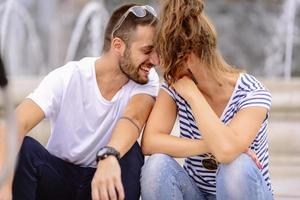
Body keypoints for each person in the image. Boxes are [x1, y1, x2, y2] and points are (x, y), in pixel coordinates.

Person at [0, 3, 159, 200]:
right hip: (58, 181)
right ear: (118, 46)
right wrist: (3, 191)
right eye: (147, 50)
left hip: (100, 185)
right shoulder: (68, 76)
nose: (156, 60)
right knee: (24, 148)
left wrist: (108, 155)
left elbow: (134, 117)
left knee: (131, 154)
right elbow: (13, 125)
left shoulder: (146, 79)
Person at [140, 0, 273, 200]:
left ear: (188, 58)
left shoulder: (252, 93)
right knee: (156, 165)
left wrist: (193, 96)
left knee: (236, 165)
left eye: (166, 61)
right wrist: (209, 144)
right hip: (199, 194)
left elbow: (226, 152)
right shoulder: (174, 87)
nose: (162, 68)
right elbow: (150, 142)